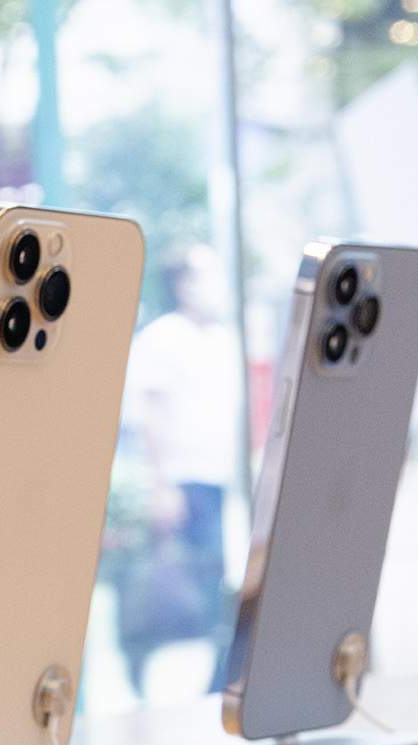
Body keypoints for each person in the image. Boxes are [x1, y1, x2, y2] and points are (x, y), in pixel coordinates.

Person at [118, 245, 242, 695]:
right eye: (207, 275)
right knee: (190, 588)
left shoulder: (224, 339)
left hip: (221, 478)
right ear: (183, 284)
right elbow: (149, 415)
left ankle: (215, 685)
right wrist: (162, 486)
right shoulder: (162, 339)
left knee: (217, 587)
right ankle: (169, 681)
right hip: (183, 481)